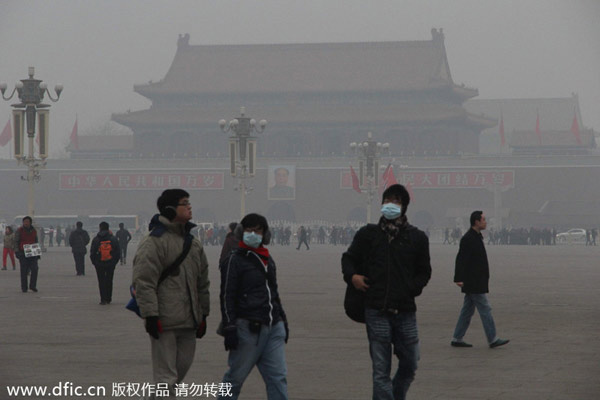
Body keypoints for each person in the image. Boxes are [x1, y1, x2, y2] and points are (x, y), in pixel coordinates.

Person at [341, 184, 431, 400]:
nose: (391, 205)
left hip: (405, 310)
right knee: (381, 371)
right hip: (376, 309)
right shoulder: (368, 234)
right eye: (388, 200)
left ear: (404, 207)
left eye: (397, 201)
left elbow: (424, 271)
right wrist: (352, 277)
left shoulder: (417, 238)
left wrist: (411, 288)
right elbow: (348, 258)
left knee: (410, 363)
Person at [132, 189, 210, 398]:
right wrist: (151, 315)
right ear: (170, 209)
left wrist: (203, 313)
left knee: (178, 375)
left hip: (189, 320)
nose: (190, 206)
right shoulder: (154, 241)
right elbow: (144, 282)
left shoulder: (193, 243)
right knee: (166, 379)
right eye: (185, 203)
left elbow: (202, 282)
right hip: (164, 320)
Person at [219, 213, 289, 400]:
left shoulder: (268, 259)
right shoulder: (235, 259)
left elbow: (273, 292)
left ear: (264, 234)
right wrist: (230, 326)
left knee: (278, 379)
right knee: (235, 378)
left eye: (258, 230)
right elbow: (227, 296)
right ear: (242, 232)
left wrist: (282, 319)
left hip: (273, 327)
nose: (253, 234)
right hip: (248, 329)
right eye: (249, 229)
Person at [451, 211, 509, 349]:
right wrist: (458, 278)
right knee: (485, 309)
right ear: (476, 222)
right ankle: (492, 338)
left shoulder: (476, 236)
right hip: (473, 280)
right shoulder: (468, 238)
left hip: (477, 279)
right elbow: (461, 259)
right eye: (483, 219)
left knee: (467, 310)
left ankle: (457, 337)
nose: (485, 222)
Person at [90, 222, 120, 305]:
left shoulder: (96, 239)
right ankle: (108, 298)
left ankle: (103, 299)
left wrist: (95, 263)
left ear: (100, 228)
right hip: (110, 263)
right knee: (109, 280)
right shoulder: (113, 239)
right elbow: (118, 252)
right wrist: (114, 262)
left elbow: (92, 252)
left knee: (101, 281)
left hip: (99, 264)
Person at [15, 216, 40, 293]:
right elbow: (16, 241)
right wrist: (17, 252)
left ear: (30, 222)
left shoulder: (34, 230)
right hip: (23, 251)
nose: (26, 223)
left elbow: (36, 241)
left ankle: (32, 286)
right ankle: (24, 287)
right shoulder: (19, 230)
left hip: (32, 250)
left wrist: (38, 253)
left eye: (27, 221)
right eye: (24, 222)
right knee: (24, 271)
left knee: (35, 269)